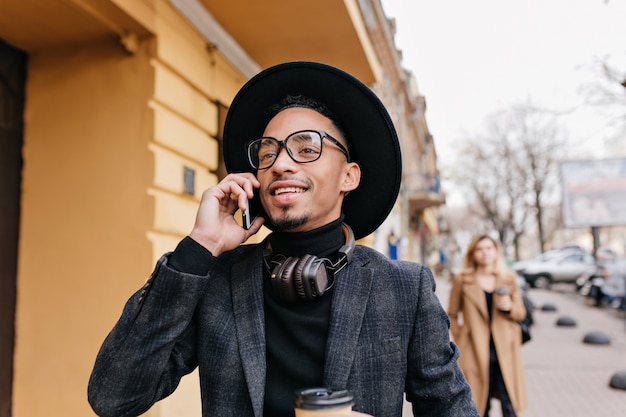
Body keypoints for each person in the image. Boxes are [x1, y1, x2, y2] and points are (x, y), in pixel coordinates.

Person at [88, 61, 479, 417]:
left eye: (307, 147)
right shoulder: (217, 281)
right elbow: (113, 397)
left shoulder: (405, 290)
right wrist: (199, 248)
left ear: (349, 176)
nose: (281, 163)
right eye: (267, 152)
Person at [447, 235, 528, 417]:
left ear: (496, 251)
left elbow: (521, 313)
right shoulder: (462, 279)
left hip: (505, 350)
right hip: (475, 350)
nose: (485, 253)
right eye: (479, 249)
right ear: (472, 253)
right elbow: (451, 314)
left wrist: (510, 307)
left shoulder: (508, 278)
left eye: (489, 248)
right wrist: (462, 338)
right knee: (479, 405)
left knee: (510, 404)